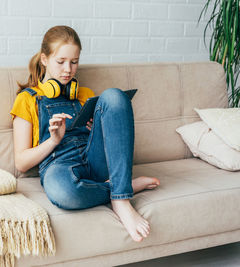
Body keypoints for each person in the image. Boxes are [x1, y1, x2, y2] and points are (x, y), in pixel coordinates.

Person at [10, 25, 160, 242]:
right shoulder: (27, 99)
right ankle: (120, 187)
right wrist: (54, 140)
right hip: (58, 166)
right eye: (60, 62)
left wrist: (96, 130)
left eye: (74, 62)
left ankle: (120, 200)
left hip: (94, 158)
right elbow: (21, 163)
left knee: (115, 96)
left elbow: (107, 137)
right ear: (44, 59)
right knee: (65, 194)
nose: (68, 70)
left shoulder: (84, 94)